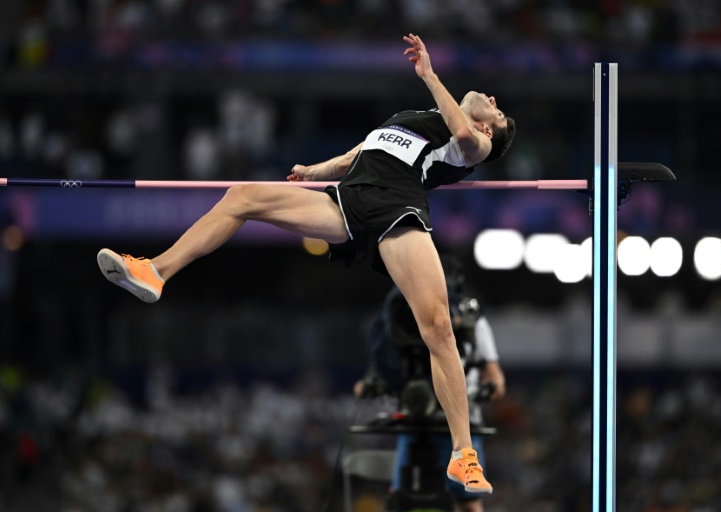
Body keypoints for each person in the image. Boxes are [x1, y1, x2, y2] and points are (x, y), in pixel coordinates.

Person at [96, 33, 515, 494]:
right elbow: (361, 154)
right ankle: (155, 271)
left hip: (399, 209)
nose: (492, 100)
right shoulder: (412, 118)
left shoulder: (473, 143)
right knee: (241, 197)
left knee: (436, 325)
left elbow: (460, 134)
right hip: (347, 200)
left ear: (490, 130)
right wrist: (314, 172)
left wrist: (431, 76)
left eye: (496, 109)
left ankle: (462, 454)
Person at [354, 255, 506, 512]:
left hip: (458, 425)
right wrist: (370, 387)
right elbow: (374, 372)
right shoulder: (397, 314)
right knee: (400, 497)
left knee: (468, 502)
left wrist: (487, 389)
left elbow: (495, 379)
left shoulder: (470, 317)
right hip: (414, 421)